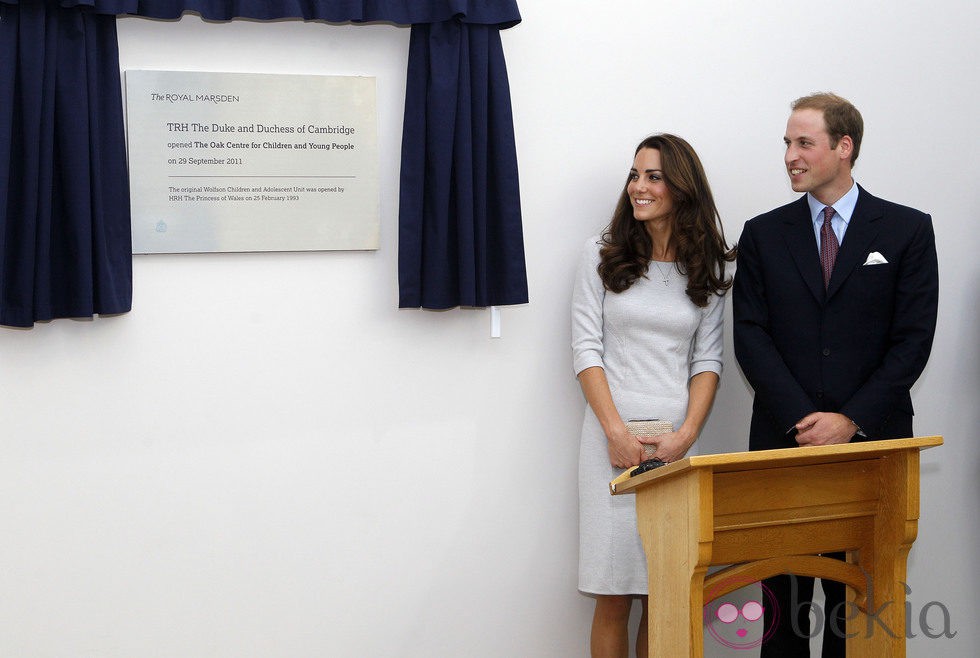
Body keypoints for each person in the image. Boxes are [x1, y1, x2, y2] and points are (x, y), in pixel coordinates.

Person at [733, 93, 939, 657]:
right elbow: (750, 335)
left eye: (804, 143)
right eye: (787, 144)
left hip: (872, 449)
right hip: (783, 444)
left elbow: (913, 341)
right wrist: (805, 419)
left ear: (843, 148)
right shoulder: (762, 234)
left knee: (861, 616)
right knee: (785, 613)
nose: (790, 156)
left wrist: (850, 420)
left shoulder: (907, 230)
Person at [572, 133, 735, 657]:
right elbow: (585, 349)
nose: (638, 187)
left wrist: (686, 436)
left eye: (653, 176)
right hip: (609, 446)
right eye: (635, 175)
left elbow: (708, 360)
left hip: (674, 449)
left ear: (681, 188)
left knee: (662, 593)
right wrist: (615, 433)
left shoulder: (707, 265)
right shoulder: (601, 255)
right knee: (613, 596)